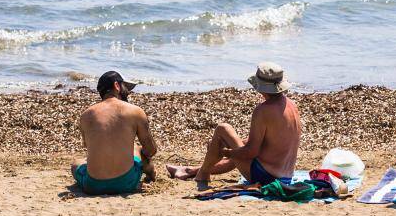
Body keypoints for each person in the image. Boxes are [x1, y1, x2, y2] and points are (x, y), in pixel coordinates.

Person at [167, 63, 302, 189]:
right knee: (238, 146)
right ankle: (190, 170)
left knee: (223, 129)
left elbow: (251, 152)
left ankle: (202, 174)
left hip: (267, 177)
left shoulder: (263, 110)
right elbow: (269, 143)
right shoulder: (291, 105)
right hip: (286, 176)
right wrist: (233, 148)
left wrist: (225, 152)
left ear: (261, 87)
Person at [73, 70, 158, 195]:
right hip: (126, 183)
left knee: (76, 163)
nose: (128, 92)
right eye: (125, 88)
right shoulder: (135, 111)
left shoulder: (86, 115)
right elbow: (151, 150)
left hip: (93, 186)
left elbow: (88, 147)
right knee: (137, 149)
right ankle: (150, 172)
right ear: (117, 86)